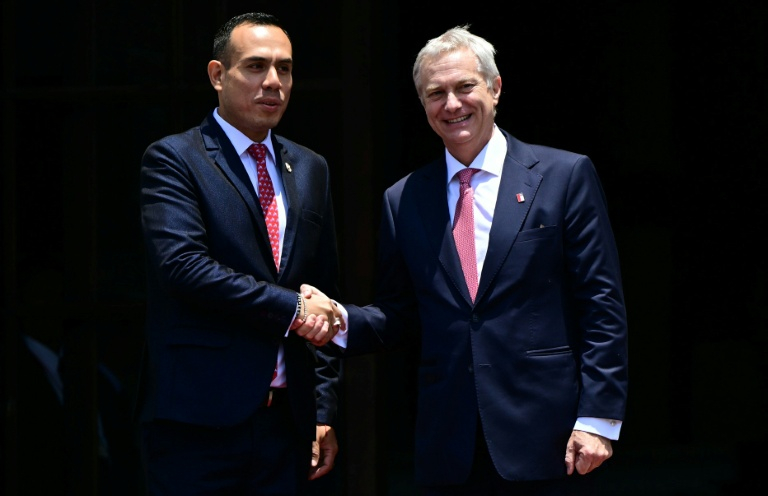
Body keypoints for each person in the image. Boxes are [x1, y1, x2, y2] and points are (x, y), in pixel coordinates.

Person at [302, 25, 628, 495]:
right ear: (423, 105)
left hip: (551, 439)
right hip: (448, 445)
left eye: (465, 87)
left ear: (495, 88)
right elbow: (401, 314)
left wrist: (598, 418)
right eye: (436, 93)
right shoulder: (403, 199)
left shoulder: (564, 175)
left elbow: (601, 304)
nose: (452, 104)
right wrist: (340, 320)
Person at [138, 12, 344, 495]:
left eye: (284, 69)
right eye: (255, 66)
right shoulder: (174, 158)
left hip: (287, 426)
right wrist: (293, 309)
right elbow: (184, 267)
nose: (273, 82)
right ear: (217, 75)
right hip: (197, 424)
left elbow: (323, 292)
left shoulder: (310, 167)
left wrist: (323, 410)